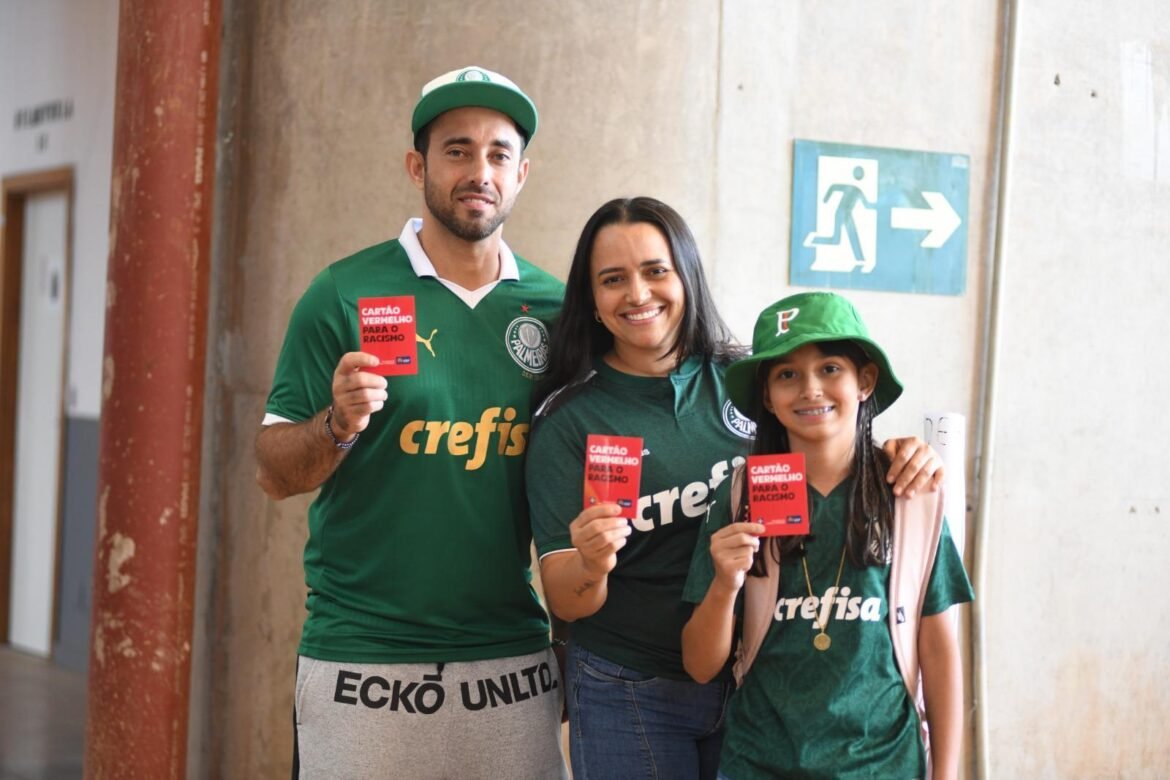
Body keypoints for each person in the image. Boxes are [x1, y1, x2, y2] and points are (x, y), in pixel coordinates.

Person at [526, 199, 945, 780]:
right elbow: (567, 600)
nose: (638, 294)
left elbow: (833, 445)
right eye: (613, 279)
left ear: (687, 276)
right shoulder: (568, 419)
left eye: (656, 270)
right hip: (630, 686)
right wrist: (594, 564)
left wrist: (901, 456)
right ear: (592, 300)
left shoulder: (750, 379)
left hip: (765, 685)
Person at [255, 66, 567, 779]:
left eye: (498, 154)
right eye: (457, 150)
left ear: (521, 174)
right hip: (361, 658)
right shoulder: (344, 292)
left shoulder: (557, 309)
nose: (479, 171)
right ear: (417, 166)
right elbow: (272, 473)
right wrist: (336, 423)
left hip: (510, 661)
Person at [680, 292, 974, 780]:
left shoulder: (909, 494)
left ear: (865, 381)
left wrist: (945, 774)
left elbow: (938, 650)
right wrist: (725, 584)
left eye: (830, 368)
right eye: (787, 375)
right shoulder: (739, 497)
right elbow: (699, 665)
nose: (811, 389)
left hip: (884, 767)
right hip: (760, 764)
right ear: (767, 397)